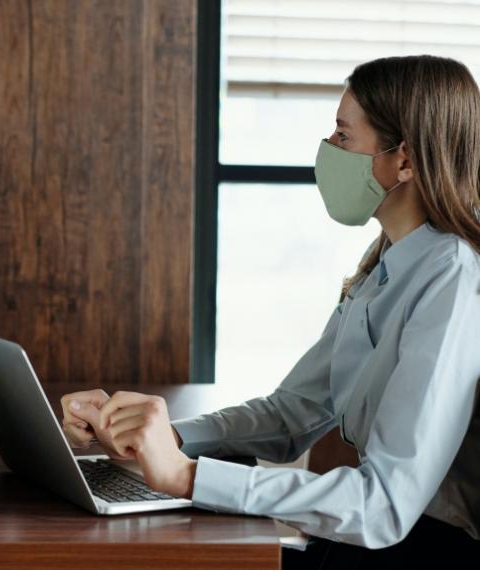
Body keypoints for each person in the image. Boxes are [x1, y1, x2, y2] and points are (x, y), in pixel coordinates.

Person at [60, 55, 480, 566]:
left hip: (423, 550)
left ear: (405, 161)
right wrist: (163, 437)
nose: (327, 150)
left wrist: (188, 477)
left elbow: (383, 507)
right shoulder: (389, 258)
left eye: (343, 136)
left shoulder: (454, 276)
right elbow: (290, 416)